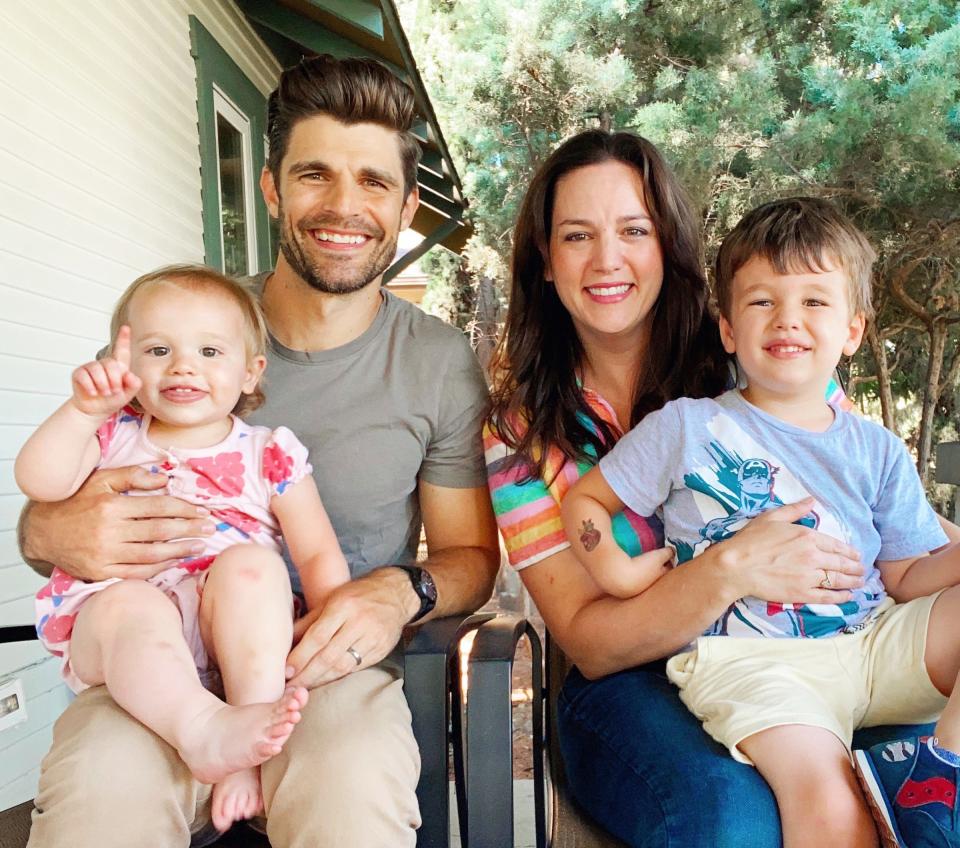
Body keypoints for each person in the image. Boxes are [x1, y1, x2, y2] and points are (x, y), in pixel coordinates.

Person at [18, 55, 499, 848]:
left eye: (374, 183)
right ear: (272, 187)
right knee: (98, 798)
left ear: (409, 204)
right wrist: (47, 531)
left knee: (351, 797)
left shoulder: (436, 361)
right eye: (315, 174)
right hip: (154, 660)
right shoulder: (187, 331)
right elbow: (62, 482)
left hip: (320, 667)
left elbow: (471, 555)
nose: (344, 206)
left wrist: (398, 592)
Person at [485, 130, 959, 847]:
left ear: (667, 246)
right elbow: (591, 642)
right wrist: (729, 568)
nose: (608, 258)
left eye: (634, 230)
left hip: (838, 641)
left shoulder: (764, 346)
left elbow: (872, 509)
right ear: (545, 262)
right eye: (577, 236)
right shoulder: (522, 431)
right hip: (640, 674)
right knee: (729, 824)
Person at [16, 265, 351, 833]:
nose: (183, 365)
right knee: (131, 604)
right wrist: (82, 412)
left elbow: (316, 553)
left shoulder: (269, 454)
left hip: (235, 636)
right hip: (128, 633)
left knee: (254, 567)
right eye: (158, 348)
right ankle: (201, 731)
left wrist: (332, 632)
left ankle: (244, 738)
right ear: (125, 364)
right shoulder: (111, 435)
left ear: (251, 373)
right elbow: (39, 481)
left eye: (210, 350)